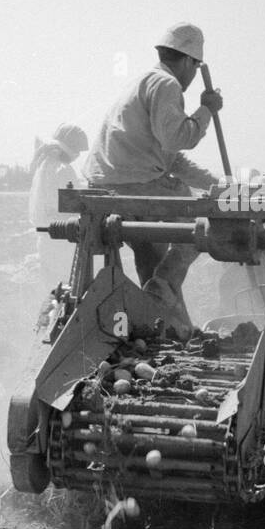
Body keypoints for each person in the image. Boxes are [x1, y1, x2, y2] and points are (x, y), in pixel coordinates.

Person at [84, 23, 223, 333]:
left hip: (106, 183)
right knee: (201, 219)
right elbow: (178, 139)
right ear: (189, 62)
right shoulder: (166, 85)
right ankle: (159, 292)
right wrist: (206, 111)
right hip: (131, 184)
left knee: (152, 254)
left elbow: (172, 159)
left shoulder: (144, 82)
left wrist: (218, 183)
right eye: (195, 66)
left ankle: (172, 325)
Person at [28, 123, 88, 289]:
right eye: (77, 150)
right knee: (70, 287)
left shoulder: (45, 164)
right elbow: (73, 205)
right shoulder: (63, 169)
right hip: (61, 240)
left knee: (53, 290)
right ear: (71, 147)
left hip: (46, 239)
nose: (77, 155)